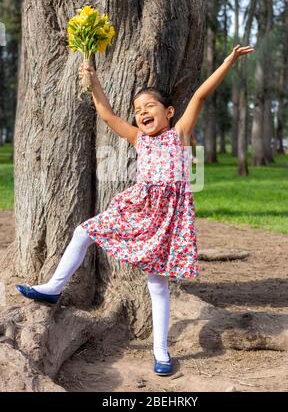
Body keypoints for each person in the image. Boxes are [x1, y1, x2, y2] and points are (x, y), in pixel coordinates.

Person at [16, 44, 254, 375]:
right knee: (83, 231)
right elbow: (107, 114)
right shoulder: (139, 140)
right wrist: (93, 80)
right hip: (138, 208)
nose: (141, 112)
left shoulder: (179, 134)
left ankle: (161, 351)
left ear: (169, 112)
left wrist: (228, 60)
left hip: (168, 218)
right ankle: (53, 289)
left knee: (157, 285)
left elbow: (200, 94)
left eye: (149, 106)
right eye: (137, 109)